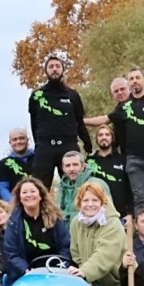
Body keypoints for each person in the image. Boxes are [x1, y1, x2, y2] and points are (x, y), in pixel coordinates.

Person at [87, 67, 144, 218]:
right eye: (131, 79)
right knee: (139, 198)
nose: (134, 81)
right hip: (133, 159)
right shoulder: (124, 107)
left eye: (137, 78)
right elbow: (105, 119)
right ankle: (142, 229)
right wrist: (81, 121)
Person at [28, 53, 91, 188]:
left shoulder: (72, 95)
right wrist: (38, 143)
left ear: (63, 70)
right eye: (51, 67)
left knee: (75, 185)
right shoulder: (37, 95)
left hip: (68, 145)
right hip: (45, 147)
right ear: (46, 71)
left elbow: (79, 121)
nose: (54, 69)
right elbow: (34, 122)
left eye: (58, 66)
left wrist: (87, 142)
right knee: (38, 188)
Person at [3, 177, 72, 286]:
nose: (28, 195)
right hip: (25, 276)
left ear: (40, 195)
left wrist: (59, 268)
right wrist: (27, 270)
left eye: (32, 191)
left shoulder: (56, 219)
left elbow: (65, 246)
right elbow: (11, 253)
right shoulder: (13, 223)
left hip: (56, 273)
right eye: (24, 192)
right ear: (20, 197)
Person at [87, 124, 133, 218]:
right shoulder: (89, 161)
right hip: (95, 214)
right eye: (100, 135)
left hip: (120, 214)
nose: (104, 137)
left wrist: (131, 213)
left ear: (112, 138)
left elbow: (131, 187)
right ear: (96, 139)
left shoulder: (123, 160)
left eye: (107, 135)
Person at [55, 150, 110, 224]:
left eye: (75, 165)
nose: (71, 169)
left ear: (83, 165)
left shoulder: (97, 184)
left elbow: (108, 213)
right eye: (68, 165)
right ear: (63, 168)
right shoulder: (60, 187)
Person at [0, 127, 35, 201]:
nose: (18, 142)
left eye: (21, 138)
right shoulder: (4, 163)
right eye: (14, 139)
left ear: (27, 140)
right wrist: (13, 203)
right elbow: (3, 188)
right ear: (10, 142)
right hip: (16, 205)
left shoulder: (38, 158)